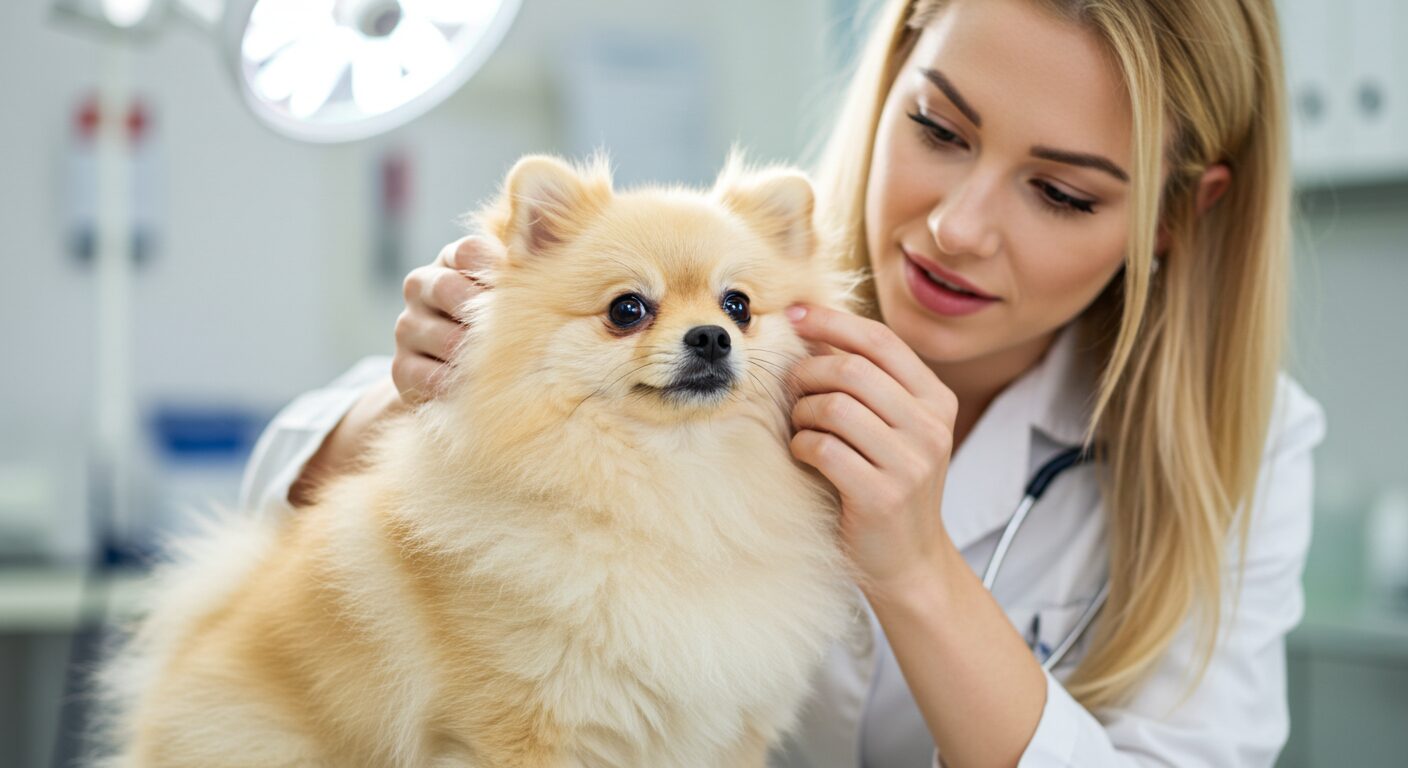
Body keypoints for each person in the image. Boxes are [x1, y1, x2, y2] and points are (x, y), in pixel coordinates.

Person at [239, 0, 1326, 765]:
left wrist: (915, 570)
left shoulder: (1245, 446)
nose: (956, 227)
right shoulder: (725, 249)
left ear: (1177, 216)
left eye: (1059, 192)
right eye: (938, 130)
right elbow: (285, 483)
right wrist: (440, 387)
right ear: (889, 67)